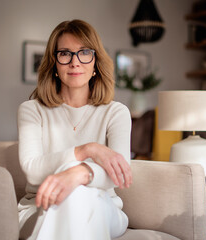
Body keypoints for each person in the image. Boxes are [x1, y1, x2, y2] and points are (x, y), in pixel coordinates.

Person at [17, 19, 132, 240]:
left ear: (95, 63)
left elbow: (119, 174)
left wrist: (79, 173)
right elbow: (32, 170)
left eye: (84, 52)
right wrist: (87, 150)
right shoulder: (31, 110)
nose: (75, 62)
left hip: (103, 206)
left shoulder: (117, 112)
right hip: (41, 206)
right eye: (65, 54)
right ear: (55, 64)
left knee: (79, 195)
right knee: (74, 199)